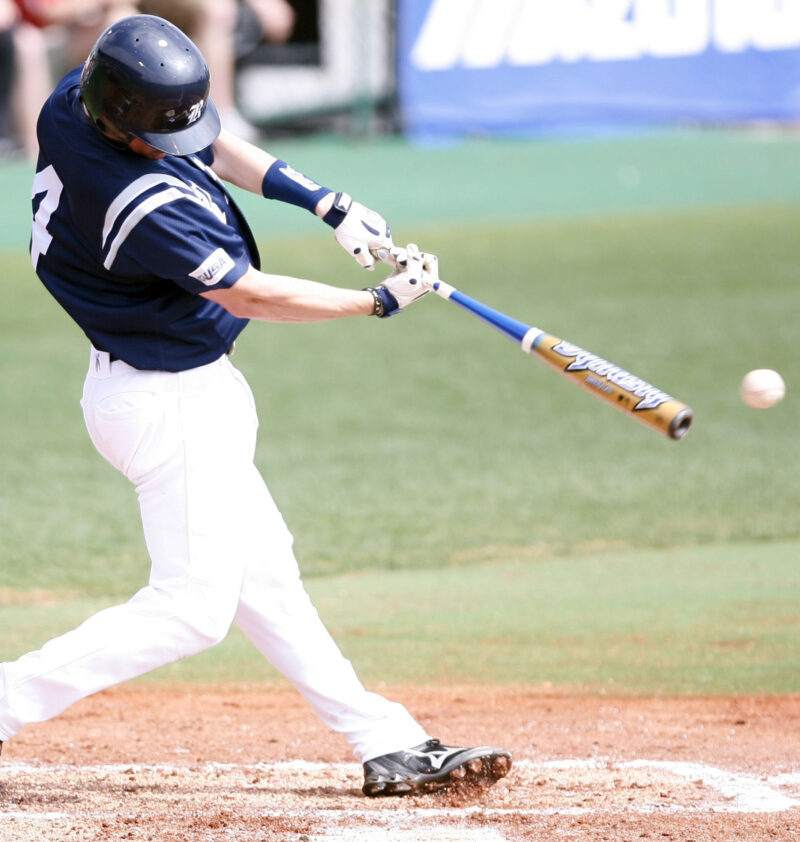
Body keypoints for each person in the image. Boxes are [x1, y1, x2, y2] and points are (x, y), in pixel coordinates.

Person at [0, 14, 512, 797]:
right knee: (191, 610)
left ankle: (385, 740)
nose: (176, 143)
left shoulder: (79, 102)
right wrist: (376, 301)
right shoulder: (138, 204)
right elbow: (250, 294)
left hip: (165, 390)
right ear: (122, 121)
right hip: (168, 401)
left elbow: (209, 145)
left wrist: (326, 202)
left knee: (265, 577)